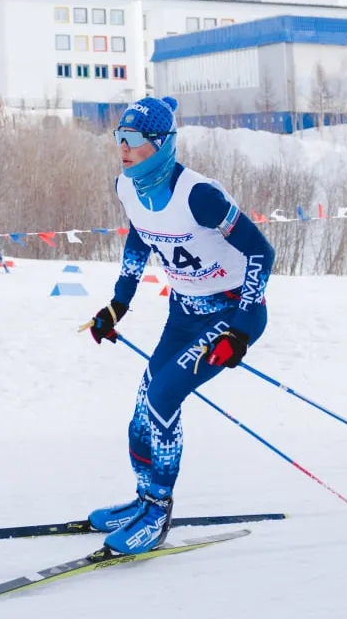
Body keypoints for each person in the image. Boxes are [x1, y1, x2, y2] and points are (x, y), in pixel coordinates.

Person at [80, 95, 274, 556]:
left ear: (162, 144)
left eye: (133, 140)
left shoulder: (199, 196)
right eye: (118, 138)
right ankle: (144, 499)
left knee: (165, 395)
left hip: (230, 313)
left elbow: (261, 253)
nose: (123, 148)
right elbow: (139, 238)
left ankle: (158, 513)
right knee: (144, 403)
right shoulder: (127, 187)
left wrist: (240, 330)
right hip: (184, 314)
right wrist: (117, 305)